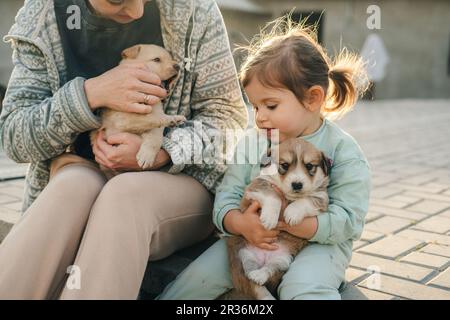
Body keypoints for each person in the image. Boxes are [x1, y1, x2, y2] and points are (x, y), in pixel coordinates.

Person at [0, 0, 247, 299]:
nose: (136, 11)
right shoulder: (44, 14)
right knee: (71, 186)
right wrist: (91, 94)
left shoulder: (194, 10)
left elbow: (228, 119)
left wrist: (163, 150)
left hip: (179, 184)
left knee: (124, 196)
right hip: (85, 171)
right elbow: (13, 137)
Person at [158, 18, 371, 300]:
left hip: (322, 245)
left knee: (303, 288)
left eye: (270, 105)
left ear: (313, 98)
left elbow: (349, 221)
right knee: (193, 284)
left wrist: (294, 225)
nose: (259, 116)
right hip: (250, 239)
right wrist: (239, 223)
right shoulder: (253, 142)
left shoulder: (343, 150)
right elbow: (228, 194)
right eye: (255, 105)